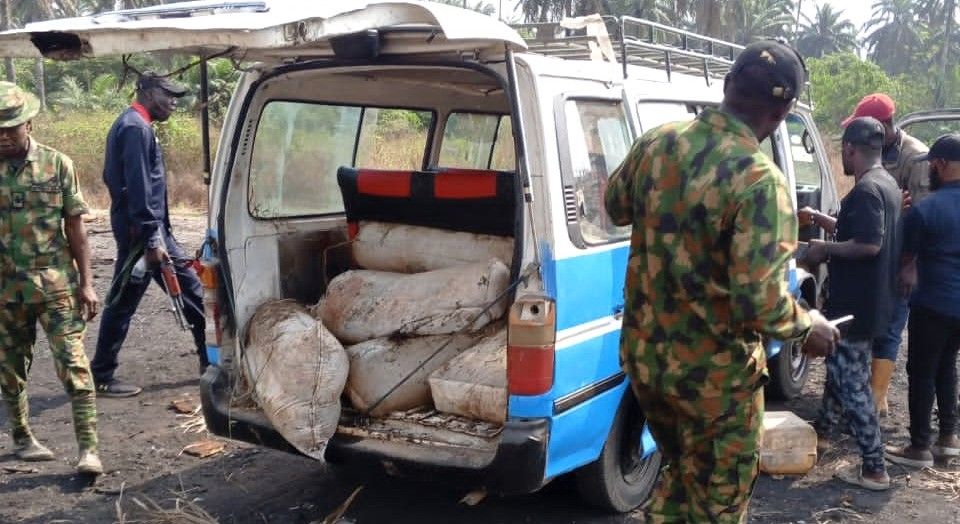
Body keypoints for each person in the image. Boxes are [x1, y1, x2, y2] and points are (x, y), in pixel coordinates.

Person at [604, 40, 838, 523]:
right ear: (784, 111)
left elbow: (615, 207)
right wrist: (807, 325)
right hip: (715, 383)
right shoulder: (759, 180)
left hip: (649, 363)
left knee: (680, 476)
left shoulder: (657, 142)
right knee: (717, 504)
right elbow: (762, 304)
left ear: (727, 85)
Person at [0, 81, 102, 474]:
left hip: (55, 286)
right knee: (9, 369)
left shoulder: (57, 164)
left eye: (12, 126)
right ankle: (23, 438)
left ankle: (89, 450)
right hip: (5, 292)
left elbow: (76, 228)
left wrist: (87, 283)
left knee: (74, 364)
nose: (6, 135)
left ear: (29, 122)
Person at [91, 72, 207, 398]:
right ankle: (101, 375)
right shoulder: (134, 128)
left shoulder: (136, 126)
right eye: (166, 94)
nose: (173, 101)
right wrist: (152, 239)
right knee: (189, 294)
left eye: (176, 96)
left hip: (147, 230)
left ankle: (210, 362)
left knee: (140, 298)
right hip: (144, 234)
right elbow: (138, 187)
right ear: (144, 91)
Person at [800, 117, 901, 491]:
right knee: (839, 369)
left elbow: (870, 244)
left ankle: (874, 467)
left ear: (849, 149)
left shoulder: (866, 191)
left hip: (857, 304)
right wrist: (824, 223)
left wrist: (822, 249)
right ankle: (822, 433)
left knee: (852, 382)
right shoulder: (886, 183)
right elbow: (857, 232)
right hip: (872, 302)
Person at [840, 93, 929, 417]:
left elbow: (923, 216)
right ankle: (865, 394)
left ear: (885, 125)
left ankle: (876, 399)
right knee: (870, 324)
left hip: (902, 256)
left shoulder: (916, 157)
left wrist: (911, 265)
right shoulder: (875, 155)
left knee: (891, 326)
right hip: (881, 252)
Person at [885, 133, 960, 468]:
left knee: (921, 371)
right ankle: (948, 438)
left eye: (932, 164)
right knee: (948, 365)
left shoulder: (925, 209)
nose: (929, 169)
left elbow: (905, 260)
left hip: (933, 303)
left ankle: (919, 447)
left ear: (940, 165)